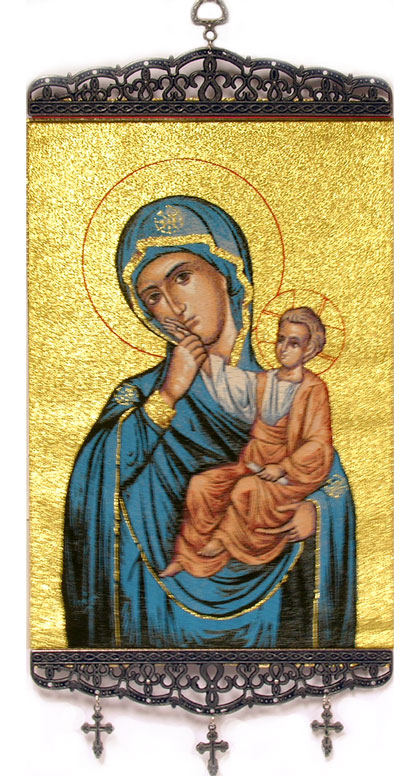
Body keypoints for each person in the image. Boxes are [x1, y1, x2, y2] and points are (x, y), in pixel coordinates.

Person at [62, 196, 356, 650]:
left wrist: (317, 513)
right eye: (153, 296)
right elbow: (93, 487)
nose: (173, 306)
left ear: (229, 274)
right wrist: (167, 396)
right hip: (156, 610)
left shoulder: (288, 389)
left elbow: (326, 475)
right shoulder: (140, 396)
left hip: (273, 601)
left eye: (183, 277)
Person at [160, 307, 333, 578]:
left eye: (294, 343)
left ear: (308, 349)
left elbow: (319, 444)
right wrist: (192, 343)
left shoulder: (313, 389)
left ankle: (222, 541)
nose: (284, 348)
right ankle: (188, 556)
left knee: (245, 490)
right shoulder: (264, 382)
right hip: (252, 463)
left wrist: (283, 467)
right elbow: (224, 380)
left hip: (289, 477)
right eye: (281, 339)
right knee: (202, 485)